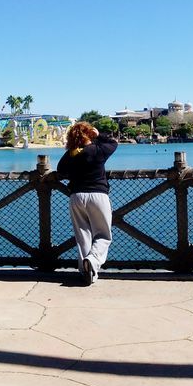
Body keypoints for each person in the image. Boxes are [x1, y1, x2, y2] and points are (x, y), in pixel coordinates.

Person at [57, 121, 117, 285]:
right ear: (89, 134)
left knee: (83, 236)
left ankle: (87, 273)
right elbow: (113, 143)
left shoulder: (71, 154)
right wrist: (99, 136)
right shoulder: (97, 150)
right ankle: (93, 260)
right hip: (98, 196)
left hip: (76, 197)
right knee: (103, 235)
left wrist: (71, 148)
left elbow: (60, 171)